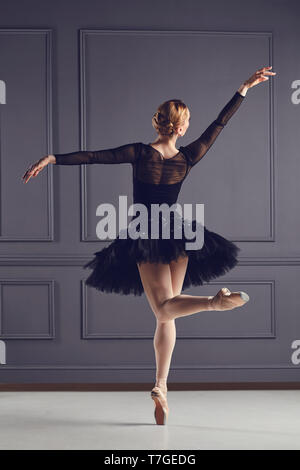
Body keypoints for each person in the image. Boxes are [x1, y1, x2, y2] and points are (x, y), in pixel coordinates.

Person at [22, 65, 276, 425]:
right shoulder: (189, 157)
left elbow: (94, 156)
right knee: (167, 312)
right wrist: (244, 87)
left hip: (147, 232)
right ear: (182, 127)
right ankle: (161, 385)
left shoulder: (139, 152)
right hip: (180, 234)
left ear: (158, 124)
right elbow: (219, 124)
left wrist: (52, 159)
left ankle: (213, 304)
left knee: (164, 310)